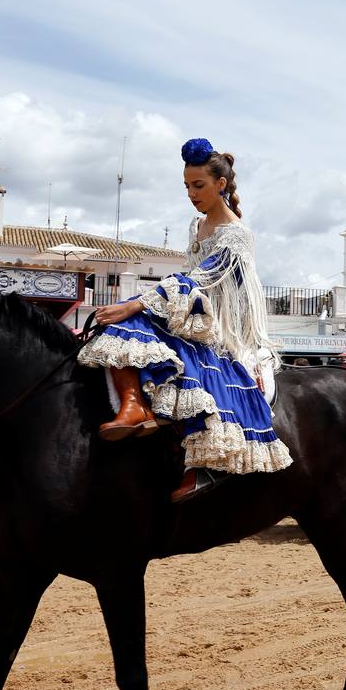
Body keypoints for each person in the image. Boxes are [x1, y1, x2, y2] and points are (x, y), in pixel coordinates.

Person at [80, 138, 292, 503]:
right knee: (127, 324)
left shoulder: (238, 235)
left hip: (222, 326)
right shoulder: (197, 227)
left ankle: (205, 460)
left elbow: (202, 277)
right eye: (187, 187)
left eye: (199, 186)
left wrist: (137, 304)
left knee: (138, 319)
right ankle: (134, 406)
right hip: (193, 311)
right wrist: (141, 303)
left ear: (220, 185)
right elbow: (187, 275)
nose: (191, 194)